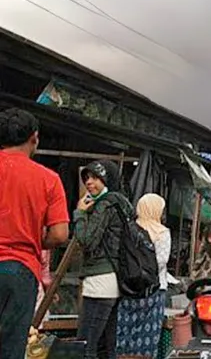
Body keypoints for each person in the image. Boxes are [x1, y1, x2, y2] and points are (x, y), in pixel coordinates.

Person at [0, 109, 70, 359]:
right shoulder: (48, 179)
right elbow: (60, 235)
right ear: (35, 138)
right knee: (10, 347)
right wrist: (34, 236)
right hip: (21, 270)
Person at [74, 160, 131, 359]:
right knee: (106, 345)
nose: (90, 182)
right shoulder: (121, 203)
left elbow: (87, 240)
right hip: (113, 280)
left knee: (86, 345)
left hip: (99, 280)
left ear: (107, 180)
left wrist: (80, 214)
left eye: (96, 178)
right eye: (87, 178)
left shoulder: (105, 205)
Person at [117, 194, 171, 357]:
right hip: (154, 290)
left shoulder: (128, 230)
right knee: (148, 335)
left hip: (128, 290)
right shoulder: (162, 232)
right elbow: (162, 261)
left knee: (125, 332)